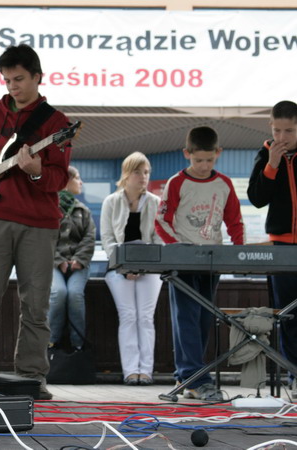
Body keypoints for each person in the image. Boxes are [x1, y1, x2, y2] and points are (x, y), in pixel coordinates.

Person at [0, 44, 72, 400]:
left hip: (39, 223)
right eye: (7, 80)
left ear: (38, 76)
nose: (12, 86)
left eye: (19, 79)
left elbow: (59, 179)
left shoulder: (57, 123)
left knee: (35, 305)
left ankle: (32, 378)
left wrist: (37, 172)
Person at [155, 126, 245, 401]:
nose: (204, 166)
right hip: (182, 261)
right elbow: (161, 221)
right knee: (186, 318)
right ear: (187, 154)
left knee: (204, 319)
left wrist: (238, 252)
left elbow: (234, 220)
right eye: (198, 161)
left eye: (209, 160)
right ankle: (197, 377)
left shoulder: (224, 184)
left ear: (218, 154)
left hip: (212, 261)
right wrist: (178, 248)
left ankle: (187, 377)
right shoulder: (176, 183)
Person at [247, 100, 297, 398]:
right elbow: (256, 198)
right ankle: (294, 375)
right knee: (288, 315)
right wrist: (272, 166)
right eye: (277, 130)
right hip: (281, 245)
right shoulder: (265, 153)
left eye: (289, 130)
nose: (282, 137)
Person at [101, 152, 163, 386]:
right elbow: (107, 239)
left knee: (146, 318)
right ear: (127, 174)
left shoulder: (156, 203)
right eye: (138, 172)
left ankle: (146, 371)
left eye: (146, 172)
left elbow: (159, 239)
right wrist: (124, 266)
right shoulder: (111, 201)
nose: (143, 177)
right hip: (119, 268)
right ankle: (130, 371)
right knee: (128, 316)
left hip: (150, 268)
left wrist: (144, 267)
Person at [48, 166, 95, 351]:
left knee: (75, 295)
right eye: (77, 178)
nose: (81, 182)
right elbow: (46, 237)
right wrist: (59, 260)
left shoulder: (83, 211)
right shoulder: (50, 208)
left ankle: (78, 344)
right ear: (66, 181)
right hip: (53, 264)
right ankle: (51, 342)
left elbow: (89, 238)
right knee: (58, 294)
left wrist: (78, 260)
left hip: (79, 265)